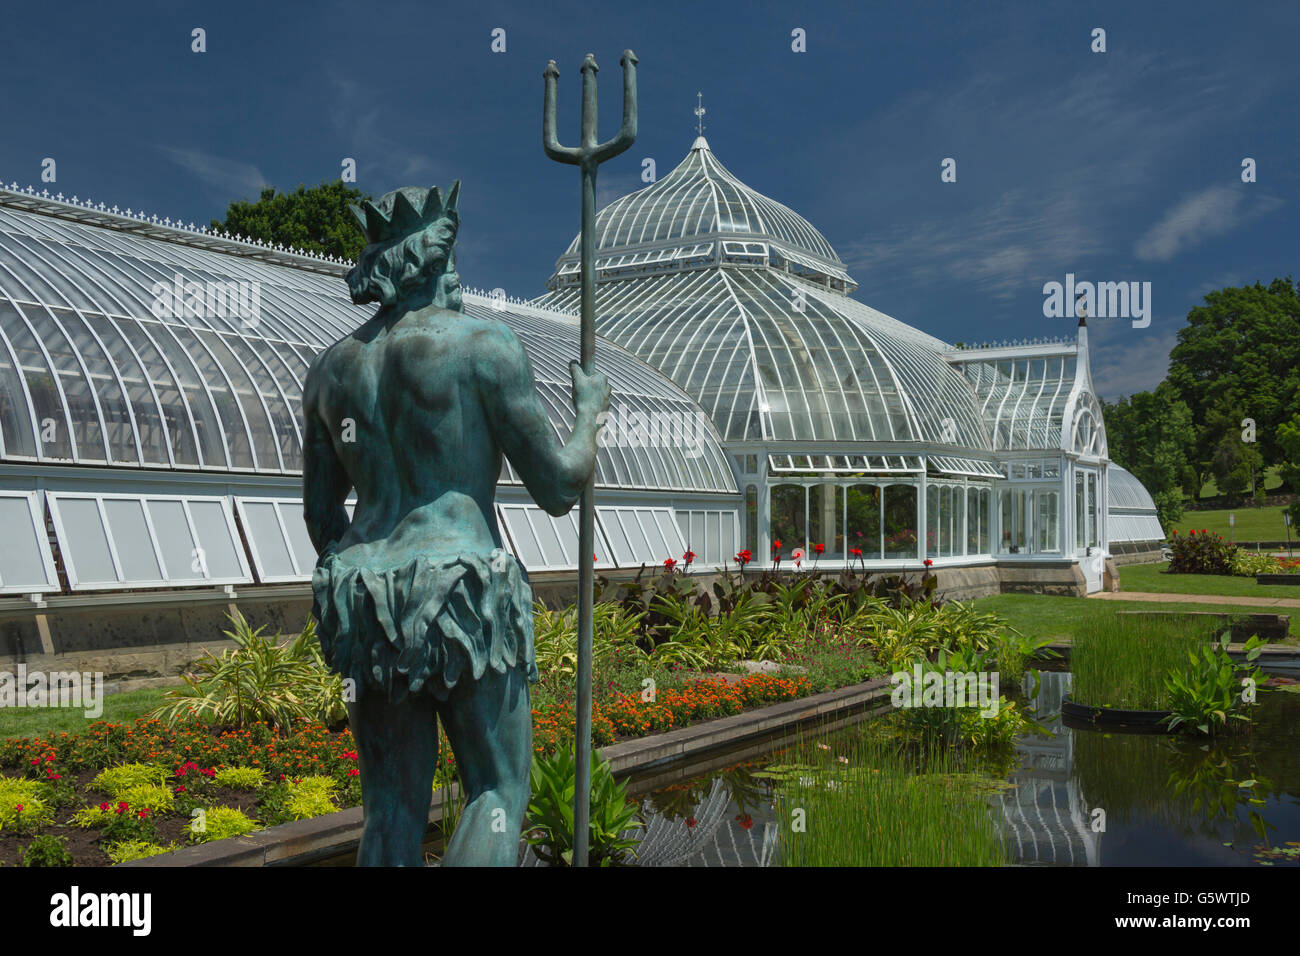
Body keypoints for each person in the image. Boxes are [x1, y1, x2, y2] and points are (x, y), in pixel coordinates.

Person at [302, 183, 609, 866]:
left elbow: (322, 517)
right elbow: (559, 486)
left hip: (364, 595)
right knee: (497, 791)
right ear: (434, 263)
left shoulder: (329, 372)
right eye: (454, 267)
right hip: (464, 587)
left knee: (390, 808)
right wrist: (590, 412)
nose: (461, 282)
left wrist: (365, 585)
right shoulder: (483, 346)